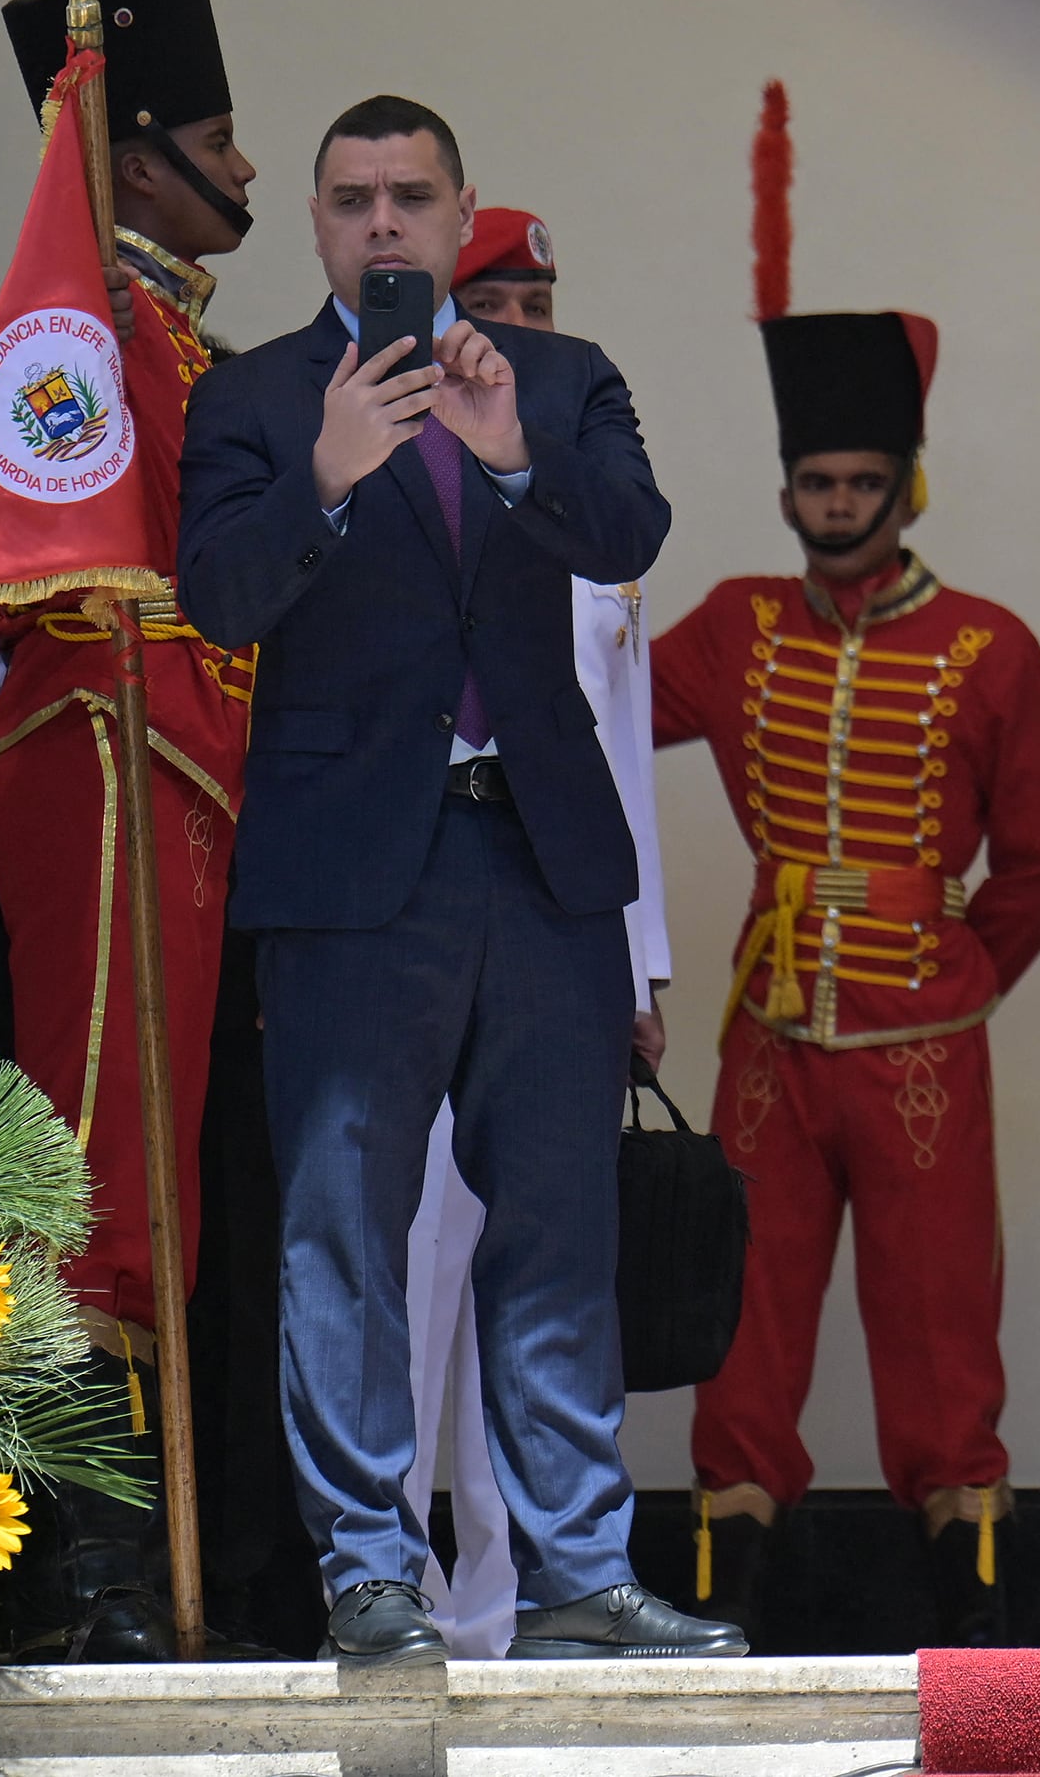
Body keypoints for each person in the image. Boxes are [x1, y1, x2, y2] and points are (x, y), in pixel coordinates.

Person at [175, 94, 734, 1665]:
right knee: (344, 1225)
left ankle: (574, 1574)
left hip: (540, 857)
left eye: (411, 195)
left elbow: (632, 525)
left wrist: (504, 458)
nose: (383, 224)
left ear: (458, 204)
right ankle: (370, 1568)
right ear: (315, 219)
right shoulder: (256, 396)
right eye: (352, 197)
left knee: (558, 1223)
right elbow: (217, 596)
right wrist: (331, 477)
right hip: (354, 874)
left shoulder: (557, 377)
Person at [650, 99, 1040, 1649]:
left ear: (906, 480)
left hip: (919, 1044)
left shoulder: (990, 645)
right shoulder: (735, 623)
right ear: (785, 489)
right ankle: (727, 1589)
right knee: (746, 1328)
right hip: (768, 1029)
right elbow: (604, 716)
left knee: (940, 1329)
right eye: (813, 482)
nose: (835, 503)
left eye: (859, 479)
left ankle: (962, 1603)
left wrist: (960, 970)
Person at [0, 0, 260, 1658]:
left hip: (179, 775)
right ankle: (83, 1555)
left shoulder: (184, 332)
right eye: (220, 134)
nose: (244, 164)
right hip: (100, 763)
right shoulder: (95, 336)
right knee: (88, 1167)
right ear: (137, 152)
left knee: (152, 1176)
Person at [394, 207, 673, 1659]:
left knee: (545, 1275)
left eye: (543, 297)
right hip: (421, 918)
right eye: (499, 295)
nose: (527, 320)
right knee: (414, 1264)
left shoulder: (586, 493)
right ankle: (403, 1590)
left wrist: (643, 960)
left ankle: (527, 1594)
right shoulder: (411, 459)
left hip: (564, 927)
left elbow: (617, 754)